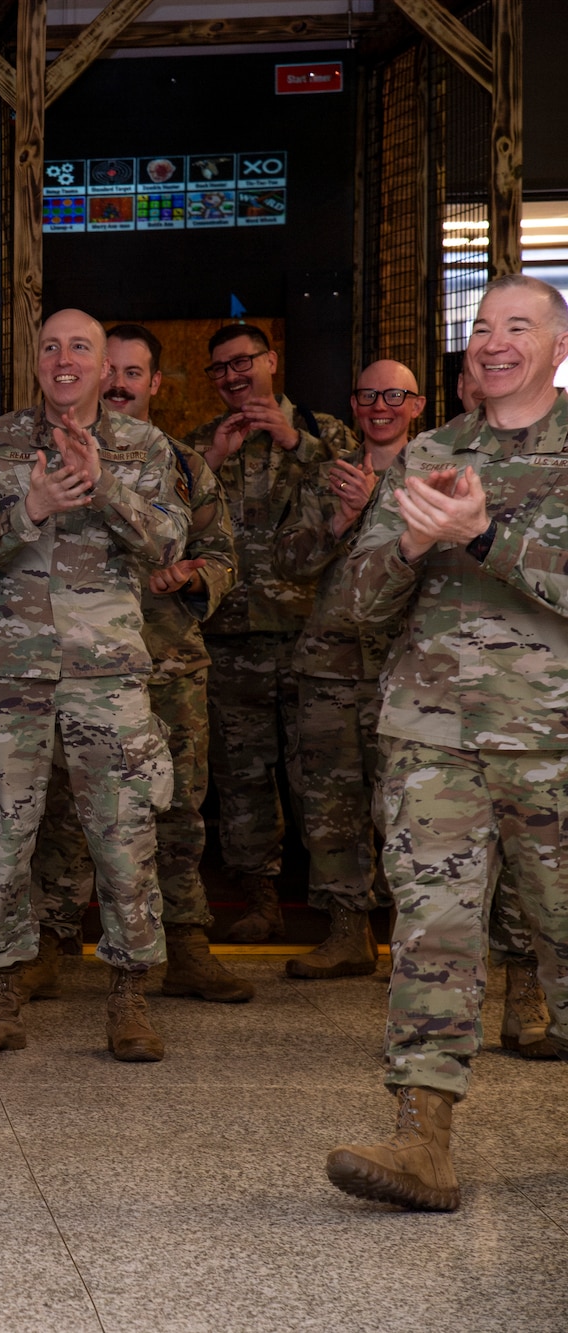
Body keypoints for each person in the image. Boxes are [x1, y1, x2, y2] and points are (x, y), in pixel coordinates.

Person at [325, 275, 568, 1212]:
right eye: (480, 327)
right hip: (433, 734)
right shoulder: (428, 452)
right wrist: (411, 547)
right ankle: (421, 1139)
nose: (492, 341)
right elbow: (359, 607)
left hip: (553, 741)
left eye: (517, 326)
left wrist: (483, 537)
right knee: (434, 934)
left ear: (555, 349)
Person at [0, 309, 187, 1064]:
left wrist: (105, 486)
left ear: (105, 365)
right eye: (49, 345)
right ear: (37, 359)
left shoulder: (145, 448)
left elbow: (170, 542)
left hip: (105, 677)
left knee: (123, 840)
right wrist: (31, 509)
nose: (63, 359)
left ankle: (129, 1001)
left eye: (79, 347)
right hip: (5, 679)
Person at [28, 324, 251, 1004]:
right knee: (65, 805)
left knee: (177, 807)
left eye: (135, 372)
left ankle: (184, 942)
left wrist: (190, 577)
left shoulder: (182, 465)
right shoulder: (40, 457)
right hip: (77, 668)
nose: (120, 382)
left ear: (155, 383)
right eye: (111, 369)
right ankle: (51, 940)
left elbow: (223, 557)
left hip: (167, 665)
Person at [184, 323, 355, 940]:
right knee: (242, 777)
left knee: (325, 778)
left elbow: (359, 494)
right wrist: (211, 463)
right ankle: (258, 898)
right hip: (229, 638)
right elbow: (164, 516)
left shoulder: (325, 431)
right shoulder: (201, 442)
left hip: (312, 636)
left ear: (271, 361)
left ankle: (343, 915)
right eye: (219, 368)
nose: (232, 376)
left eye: (242, 362)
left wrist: (294, 441)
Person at [272, 360, 422, 981]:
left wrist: (381, 506)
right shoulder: (323, 478)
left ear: (415, 405)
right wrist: (342, 519)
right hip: (329, 665)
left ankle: (413, 946)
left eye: (394, 395)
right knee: (329, 804)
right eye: (367, 395)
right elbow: (288, 562)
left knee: (410, 805)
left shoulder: (438, 477)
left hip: (408, 668)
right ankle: (345, 933)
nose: (379, 406)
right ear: (353, 404)